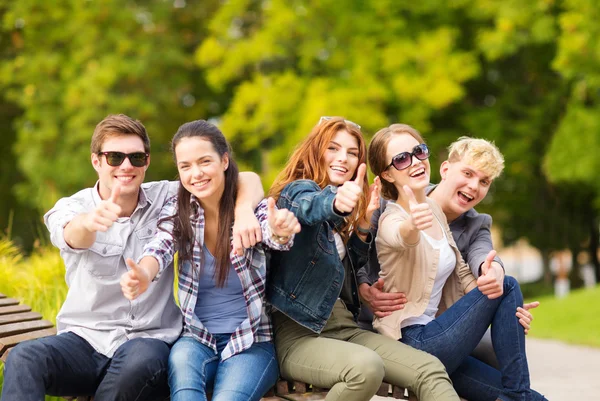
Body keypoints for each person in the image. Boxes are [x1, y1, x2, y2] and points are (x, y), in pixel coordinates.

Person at [1, 114, 265, 401]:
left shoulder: (170, 196)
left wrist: (243, 211)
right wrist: (90, 223)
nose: (126, 166)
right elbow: (72, 234)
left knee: (139, 362)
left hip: (149, 341)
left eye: (136, 158)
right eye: (114, 157)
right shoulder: (73, 207)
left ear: (146, 162)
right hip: (86, 341)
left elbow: (242, 178)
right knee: (24, 357)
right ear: (96, 161)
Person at [267, 117, 460, 401]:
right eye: (333, 148)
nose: (343, 158)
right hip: (300, 336)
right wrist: (335, 202)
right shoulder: (297, 193)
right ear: (315, 150)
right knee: (365, 368)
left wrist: (364, 224)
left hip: (345, 329)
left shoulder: (341, 222)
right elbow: (311, 207)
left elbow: (347, 270)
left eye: (353, 152)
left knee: (429, 369)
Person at [120, 119, 300, 401]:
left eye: (205, 161)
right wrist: (144, 273)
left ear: (224, 160)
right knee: (184, 390)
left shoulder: (252, 210)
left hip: (252, 341)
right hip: (196, 338)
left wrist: (280, 232)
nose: (196, 174)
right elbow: (161, 245)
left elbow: (271, 232)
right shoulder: (179, 210)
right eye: (186, 166)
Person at [367, 123, 547, 401]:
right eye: (402, 158)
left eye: (419, 152)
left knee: (536, 399)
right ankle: (517, 395)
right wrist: (411, 228)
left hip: (442, 337)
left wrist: (504, 299)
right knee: (508, 286)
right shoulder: (389, 213)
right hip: (411, 341)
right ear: (446, 169)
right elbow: (397, 237)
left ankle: (518, 396)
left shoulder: (444, 214)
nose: (474, 186)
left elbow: (479, 258)